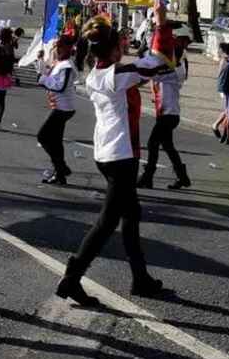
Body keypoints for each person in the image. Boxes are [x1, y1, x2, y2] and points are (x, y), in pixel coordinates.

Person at [54, 16, 166, 307]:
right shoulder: (118, 74)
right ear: (114, 48)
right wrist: (161, 25)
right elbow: (160, 63)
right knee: (107, 221)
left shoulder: (96, 74)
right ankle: (72, 276)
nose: (125, 47)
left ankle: (141, 278)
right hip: (120, 156)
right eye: (122, 44)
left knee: (131, 215)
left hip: (107, 153)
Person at [139, 29, 191, 191]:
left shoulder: (176, 71)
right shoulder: (173, 68)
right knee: (167, 145)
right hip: (166, 112)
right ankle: (182, 177)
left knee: (152, 143)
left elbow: (154, 74)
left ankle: (148, 176)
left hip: (169, 114)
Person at [36, 34, 79, 185]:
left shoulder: (67, 65)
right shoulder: (60, 63)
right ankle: (60, 175)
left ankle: (61, 167)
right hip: (61, 107)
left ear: (69, 48)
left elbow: (60, 86)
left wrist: (42, 80)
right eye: (57, 47)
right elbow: (48, 74)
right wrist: (40, 61)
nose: (58, 49)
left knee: (42, 136)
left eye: (61, 47)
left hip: (64, 108)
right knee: (55, 140)